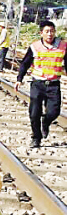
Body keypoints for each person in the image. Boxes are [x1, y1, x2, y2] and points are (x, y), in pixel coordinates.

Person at [15, 19, 67, 148]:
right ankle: (36, 138)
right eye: (47, 31)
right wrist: (19, 79)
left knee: (54, 112)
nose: (50, 34)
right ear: (41, 33)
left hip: (54, 84)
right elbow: (25, 63)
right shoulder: (35, 46)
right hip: (38, 84)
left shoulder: (63, 46)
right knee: (34, 113)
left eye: (52, 31)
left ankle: (46, 122)